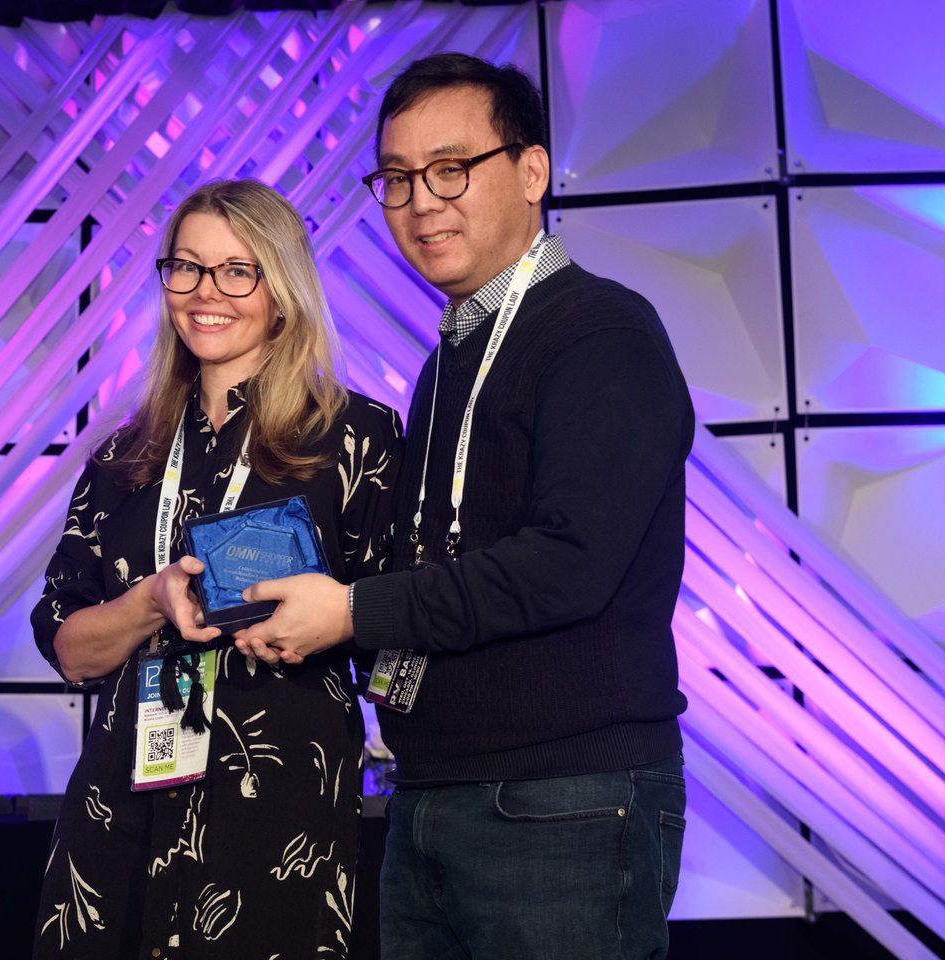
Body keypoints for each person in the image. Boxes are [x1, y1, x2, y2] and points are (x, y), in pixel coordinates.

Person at [233, 54, 693, 959]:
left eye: (451, 169)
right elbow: (441, 553)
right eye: (398, 179)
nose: (421, 202)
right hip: (434, 789)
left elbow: (568, 565)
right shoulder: (451, 357)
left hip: (564, 794)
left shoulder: (600, 332)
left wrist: (352, 610)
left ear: (532, 171)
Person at [28, 178, 402, 958]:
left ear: (282, 289)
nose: (206, 293)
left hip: (281, 810)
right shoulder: (123, 459)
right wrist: (154, 602)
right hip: (122, 803)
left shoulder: (356, 439)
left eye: (238, 270)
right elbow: (70, 649)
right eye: (186, 268)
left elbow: (396, 621)